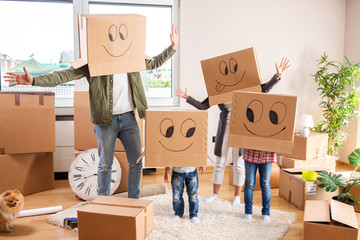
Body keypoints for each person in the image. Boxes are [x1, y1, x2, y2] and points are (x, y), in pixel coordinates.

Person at [5, 24, 179, 199]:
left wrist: (172, 47)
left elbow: (155, 62)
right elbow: (63, 76)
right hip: (105, 122)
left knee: (136, 162)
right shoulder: (93, 63)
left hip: (129, 118)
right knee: (105, 164)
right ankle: (103, 201)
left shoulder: (132, 59)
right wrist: (34, 80)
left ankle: (134, 202)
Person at [175, 57, 290, 207]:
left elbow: (265, 89)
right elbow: (203, 106)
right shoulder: (218, 90)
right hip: (225, 128)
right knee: (220, 161)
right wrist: (187, 97)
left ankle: (237, 197)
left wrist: (277, 75)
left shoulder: (246, 86)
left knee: (239, 163)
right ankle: (215, 195)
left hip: (241, 129)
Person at [242, 58, 291, 225]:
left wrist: (278, 75)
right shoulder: (244, 102)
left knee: (265, 183)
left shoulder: (266, 101)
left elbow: (267, 87)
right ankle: (248, 211)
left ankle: (266, 213)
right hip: (250, 150)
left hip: (267, 153)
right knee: (249, 183)